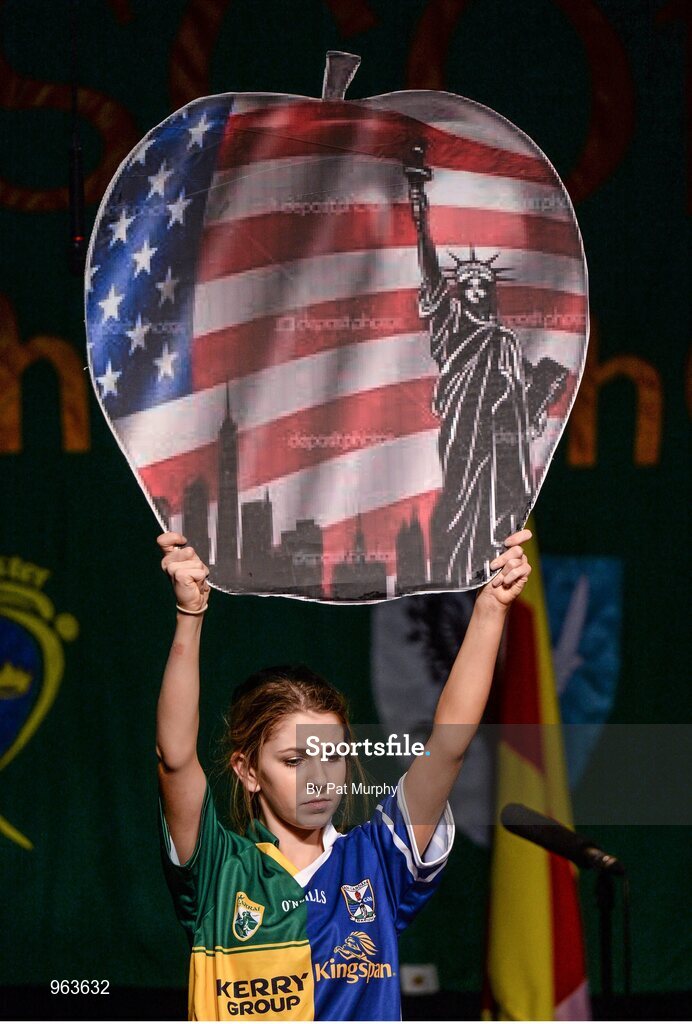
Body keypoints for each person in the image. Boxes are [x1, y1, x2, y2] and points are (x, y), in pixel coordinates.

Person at [156, 526, 532, 1021]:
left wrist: (490, 608)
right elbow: (175, 756)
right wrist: (190, 614)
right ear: (247, 771)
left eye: (331, 756)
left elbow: (447, 746)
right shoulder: (218, 873)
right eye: (293, 761)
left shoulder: (378, 858)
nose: (318, 779)